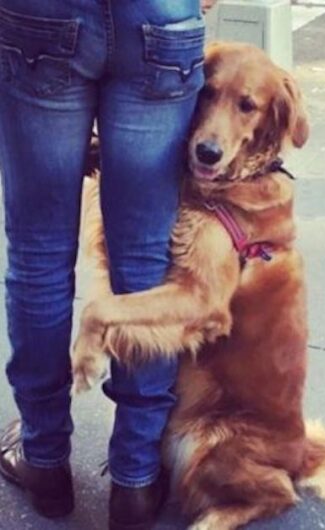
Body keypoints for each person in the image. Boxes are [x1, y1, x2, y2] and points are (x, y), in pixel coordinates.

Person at [0, 1, 205, 529]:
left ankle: (44, 459)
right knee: (147, 262)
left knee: (38, 253)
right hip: (158, 14)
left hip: (41, 14)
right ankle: (135, 480)